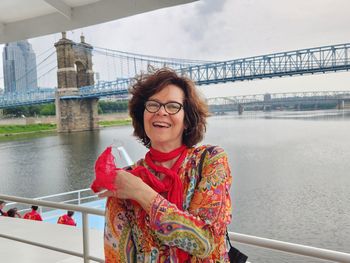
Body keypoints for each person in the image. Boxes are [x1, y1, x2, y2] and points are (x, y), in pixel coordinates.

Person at [98, 68, 232, 262]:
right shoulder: (126, 178)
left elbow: (205, 242)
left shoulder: (210, 160)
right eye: (153, 105)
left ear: (186, 120)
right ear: (142, 115)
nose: (161, 111)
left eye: (172, 106)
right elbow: (116, 255)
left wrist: (141, 193)